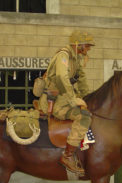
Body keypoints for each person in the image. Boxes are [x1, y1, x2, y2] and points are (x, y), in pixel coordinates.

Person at [38, 30, 95, 174]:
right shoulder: (63, 56)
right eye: (87, 46)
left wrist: (88, 99)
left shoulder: (76, 59)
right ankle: (67, 156)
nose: (88, 49)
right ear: (78, 44)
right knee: (83, 117)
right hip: (56, 101)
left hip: (65, 98)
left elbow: (82, 81)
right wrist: (74, 100)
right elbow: (61, 78)